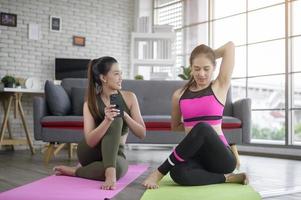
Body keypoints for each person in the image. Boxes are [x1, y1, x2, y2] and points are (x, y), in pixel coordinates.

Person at [143, 42, 248, 189]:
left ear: (213, 68)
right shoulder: (179, 95)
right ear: (190, 68)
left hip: (221, 158)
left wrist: (209, 55)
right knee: (177, 173)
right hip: (196, 157)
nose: (202, 74)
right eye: (196, 68)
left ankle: (159, 172)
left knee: (203, 127)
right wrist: (194, 134)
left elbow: (230, 46)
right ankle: (227, 178)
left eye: (206, 68)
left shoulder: (219, 86)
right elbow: (176, 127)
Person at [53, 56, 146, 190]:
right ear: (103, 78)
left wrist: (125, 115)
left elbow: (142, 133)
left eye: (121, 73)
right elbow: (90, 141)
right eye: (116, 74)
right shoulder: (90, 104)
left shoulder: (130, 97)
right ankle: (110, 172)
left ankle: (76, 171)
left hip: (116, 152)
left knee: (118, 168)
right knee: (114, 117)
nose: (121, 77)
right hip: (90, 152)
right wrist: (107, 121)